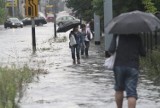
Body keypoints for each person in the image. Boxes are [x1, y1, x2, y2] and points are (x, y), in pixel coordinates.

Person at [108, 34, 146, 108]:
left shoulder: (117, 35)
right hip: (133, 66)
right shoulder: (137, 36)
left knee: (119, 89)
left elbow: (111, 50)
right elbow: (143, 53)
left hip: (119, 65)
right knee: (131, 93)